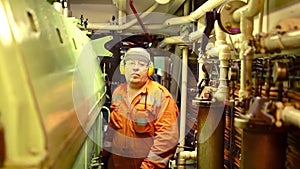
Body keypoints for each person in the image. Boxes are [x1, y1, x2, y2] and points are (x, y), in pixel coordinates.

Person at [101, 47, 179, 169]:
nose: (136, 68)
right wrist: (105, 156)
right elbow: (113, 127)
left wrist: (148, 167)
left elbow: (167, 139)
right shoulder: (118, 92)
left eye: (141, 64)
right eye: (131, 63)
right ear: (123, 68)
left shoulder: (160, 95)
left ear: (149, 69)